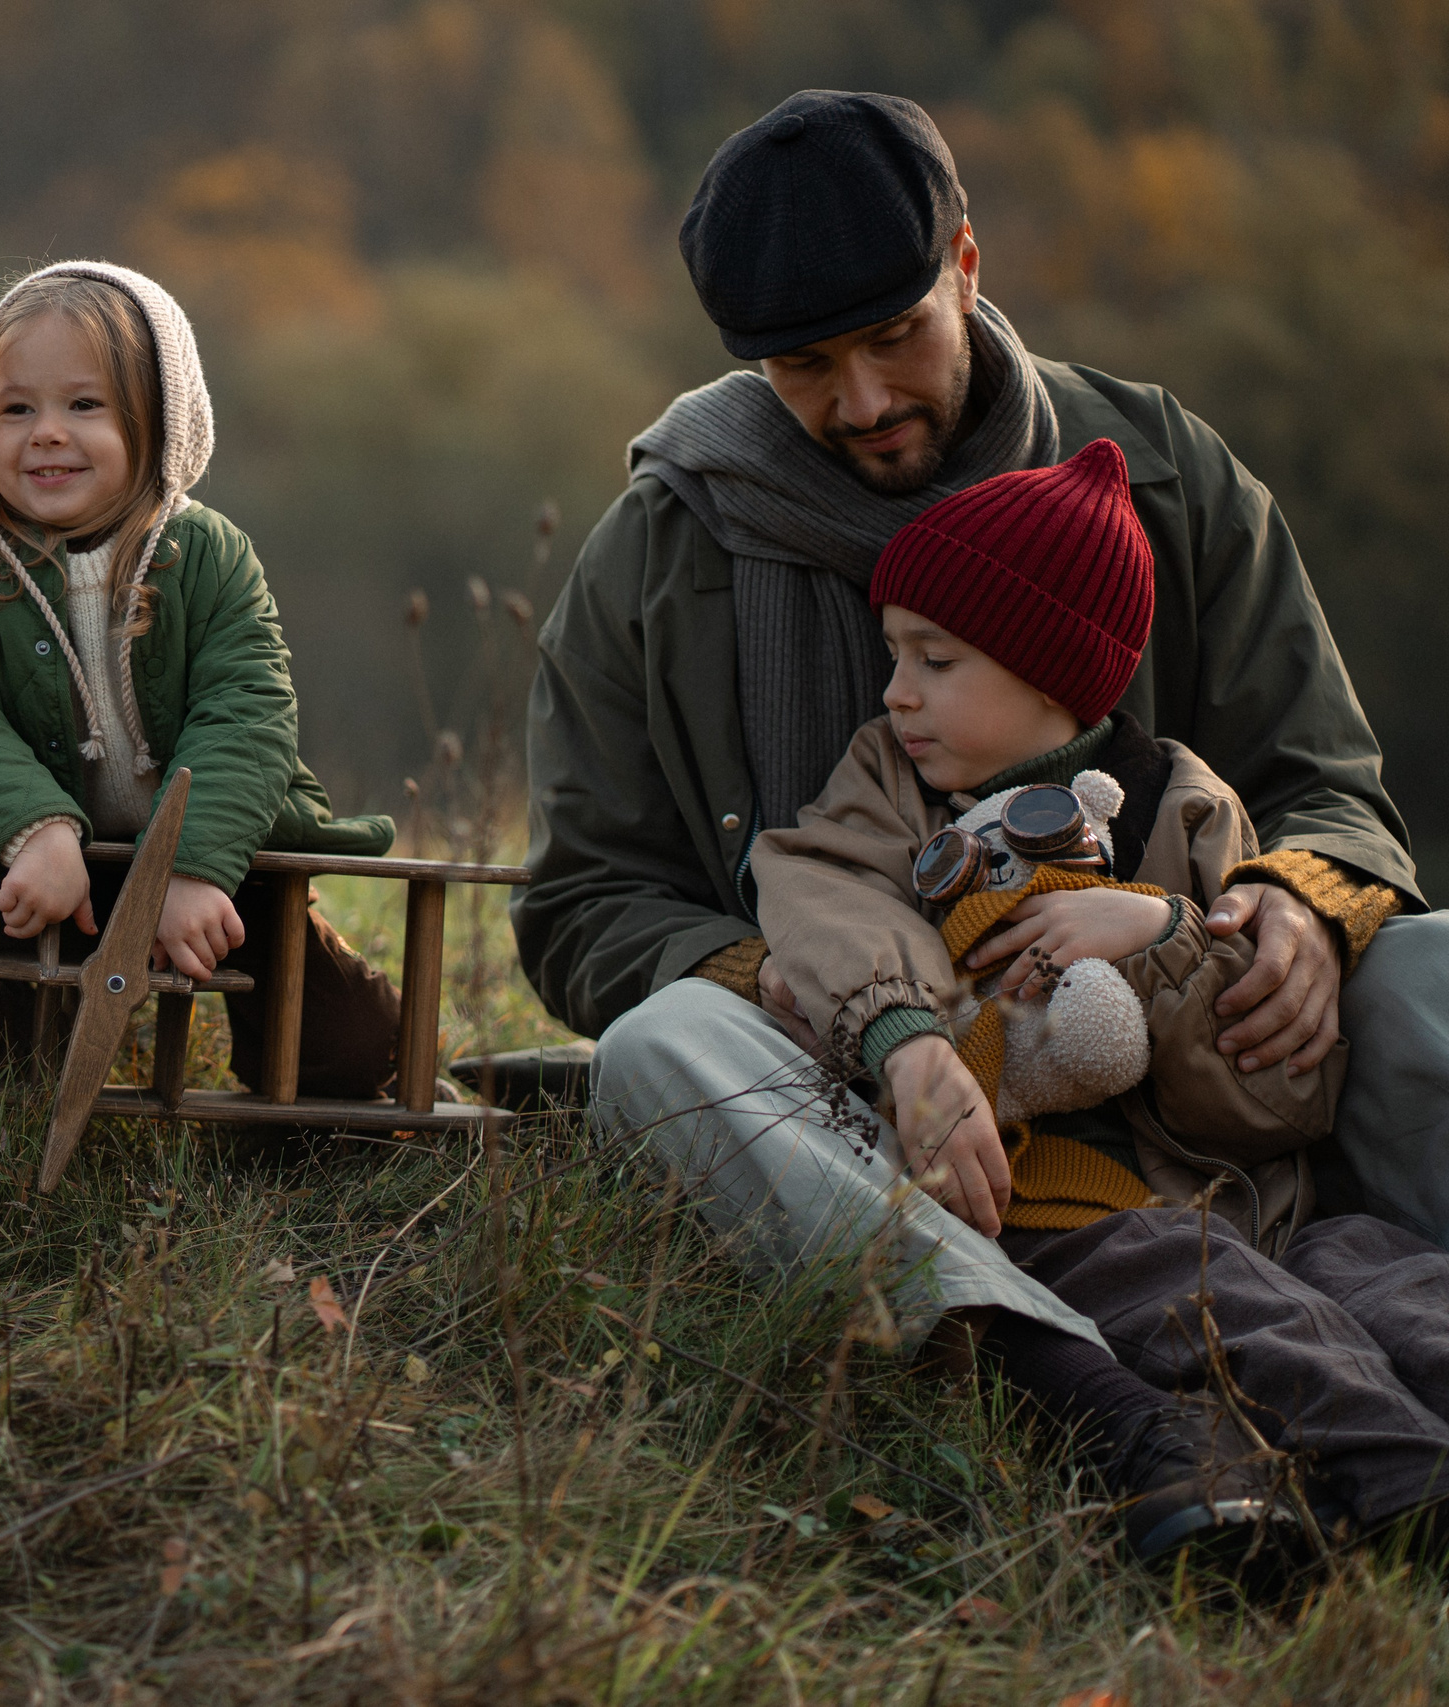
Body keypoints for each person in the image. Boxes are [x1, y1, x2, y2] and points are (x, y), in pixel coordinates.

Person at [513, 90, 1432, 1362]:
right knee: (661, 1045)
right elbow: (582, 907)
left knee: (1435, 971)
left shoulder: (1164, 473)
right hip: (845, 1093)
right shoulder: (654, 561)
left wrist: (1295, 910)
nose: (862, 399)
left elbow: (1327, 782)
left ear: (964, 265)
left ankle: (1327, 1271)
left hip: (1191, 1057)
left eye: (895, 336)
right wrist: (796, 987)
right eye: (804, 368)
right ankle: (1008, 1343)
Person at [754, 438, 1449, 1561]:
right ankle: (1407, 1491)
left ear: (1051, 677)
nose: (896, 691)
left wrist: (1164, 935)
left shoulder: (1184, 807)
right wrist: (906, 1033)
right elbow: (824, 893)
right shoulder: (885, 786)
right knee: (1229, 1307)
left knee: (1388, 1274)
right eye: (895, 655)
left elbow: (1279, 1096)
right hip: (1063, 1216)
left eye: (934, 661)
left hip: (1251, 1197)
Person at [0, 262, 403, 1095]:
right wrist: (31, 828)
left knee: (351, 1048)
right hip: (33, 863)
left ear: (155, 423)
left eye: (83, 405)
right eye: (18, 409)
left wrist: (191, 865)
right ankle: (9, 1053)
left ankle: (300, 1084)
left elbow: (247, 713)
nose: (46, 432)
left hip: (219, 858)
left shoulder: (212, 555)